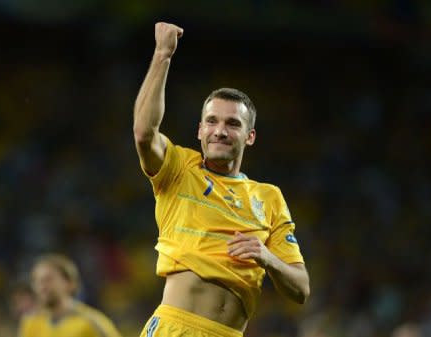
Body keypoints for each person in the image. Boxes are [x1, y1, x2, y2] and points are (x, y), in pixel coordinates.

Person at [133, 22, 310, 337]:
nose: (220, 131)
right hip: (175, 329)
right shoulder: (179, 168)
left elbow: (300, 289)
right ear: (200, 130)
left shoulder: (268, 197)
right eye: (212, 121)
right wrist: (163, 54)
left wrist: (266, 257)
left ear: (250, 136)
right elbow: (144, 134)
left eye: (233, 123)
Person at [18, 253, 123, 337]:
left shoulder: (92, 322)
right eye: (37, 281)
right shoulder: (30, 323)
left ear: (70, 283)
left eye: (48, 279)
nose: (42, 286)